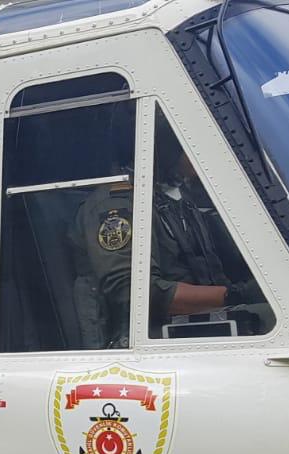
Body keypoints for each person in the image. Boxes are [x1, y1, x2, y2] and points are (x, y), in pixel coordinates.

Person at [76, 119, 264, 338]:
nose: (197, 163)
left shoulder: (178, 198)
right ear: (166, 150)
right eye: (190, 150)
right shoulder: (117, 206)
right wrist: (236, 296)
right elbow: (135, 293)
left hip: (198, 323)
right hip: (146, 339)